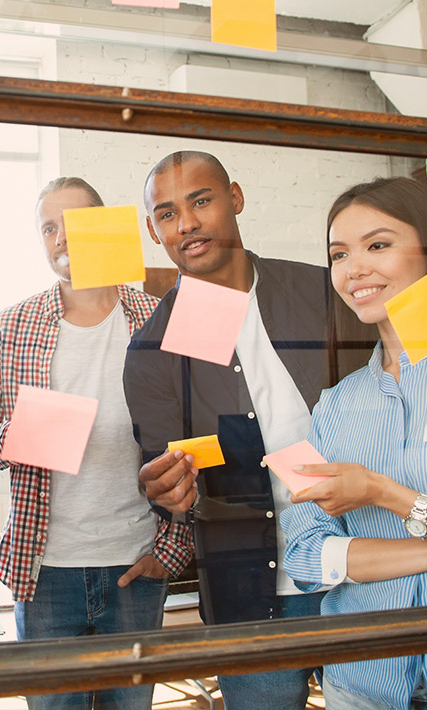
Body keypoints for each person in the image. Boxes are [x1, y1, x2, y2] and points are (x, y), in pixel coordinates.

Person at [123, 150, 332, 710]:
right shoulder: (152, 348)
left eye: (201, 201)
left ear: (234, 199)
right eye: (167, 214)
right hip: (250, 590)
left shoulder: (324, 292)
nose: (186, 223)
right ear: (153, 230)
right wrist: (167, 491)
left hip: (360, 567)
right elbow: (167, 476)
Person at [0, 177, 188, 710]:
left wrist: (172, 550)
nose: (61, 238)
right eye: (48, 228)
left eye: (72, 224)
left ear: (104, 225)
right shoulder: (10, 327)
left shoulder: (163, 320)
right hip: (45, 570)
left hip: (136, 564)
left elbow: (203, 443)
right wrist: (26, 433)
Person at [282, 177, 427, 710]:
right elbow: (304, 554)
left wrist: (381, 491)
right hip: (362, 683)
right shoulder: (334, 406)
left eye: (378, 245)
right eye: (339, 253)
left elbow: (335, 550)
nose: (355, 268)